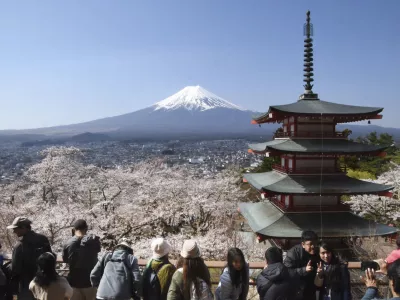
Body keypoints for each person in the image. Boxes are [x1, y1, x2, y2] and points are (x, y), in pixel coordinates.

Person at [7, 216, 52, 300]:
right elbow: (51, 258)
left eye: (15, 229)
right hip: (44, 283)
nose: (14, 231)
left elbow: (15, 269)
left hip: (26, 285)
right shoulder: (43, 239)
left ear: (24, 228)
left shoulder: (20, 246)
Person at [62, 219, 100, 300]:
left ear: (74, 229)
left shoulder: (68, 243)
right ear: (86, 229)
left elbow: (65, 260)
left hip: (74, 282)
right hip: (90, 282)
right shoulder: (93, 241)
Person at [284, 230, 319, 300]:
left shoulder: (318, 252)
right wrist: (304, 270)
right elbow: (287, 272)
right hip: (296, 290)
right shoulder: (293, 253)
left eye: (315, 243)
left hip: (311, 289)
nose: (313, 246)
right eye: (310, 244)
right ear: (303, 244)